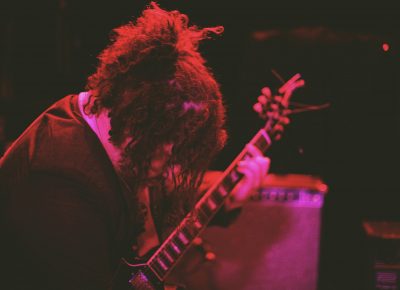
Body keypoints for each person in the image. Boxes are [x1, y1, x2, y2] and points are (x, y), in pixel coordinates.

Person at [0, 2, 270, 290]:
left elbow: (162, 205)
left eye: (178, 145)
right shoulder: (56, 186)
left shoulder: (118, 135)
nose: (170, 161)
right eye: (163, 142)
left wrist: (227, 200)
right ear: (131, 113)